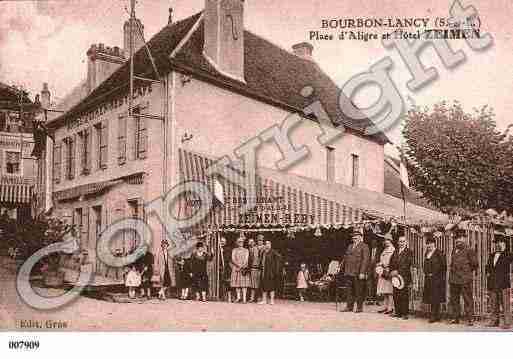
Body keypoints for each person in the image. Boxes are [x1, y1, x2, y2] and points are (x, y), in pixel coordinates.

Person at [448, 229, 478, 326]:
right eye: (457, 238)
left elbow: (475, 264)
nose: (458, 240)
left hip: (465, 279)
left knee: (467, 299)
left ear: (465, 238)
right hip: (454, 279)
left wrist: (466, 273)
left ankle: (470, 319)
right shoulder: (454, 250)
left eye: (460, 238)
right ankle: (455, 317)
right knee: (454, 299)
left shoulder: (469, 250)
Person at [485, 236, 513, 329]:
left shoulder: (508, 254)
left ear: (505, 244)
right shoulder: (492, 255)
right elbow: (488, 267)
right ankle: (494, 321)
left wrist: (505, 250)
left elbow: (508, 260)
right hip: (493, 282)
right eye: (497, 242)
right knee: (493, 303)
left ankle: (507, 322)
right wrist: (488, 273)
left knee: (505, 304)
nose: (498, 244)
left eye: (501, 242)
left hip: (503, 283)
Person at [341, 228, 370, 313]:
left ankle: (359, 307)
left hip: (358, 272)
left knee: (358, 290)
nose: (354, 238)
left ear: (360, 237)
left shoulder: (364, 246)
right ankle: (349, 307)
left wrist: (362, 272)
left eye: (356, 237)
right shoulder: (350, 246)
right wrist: (341, 267)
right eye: (353, 237)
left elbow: (366, 260)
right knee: (349, 290)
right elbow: (345, 258)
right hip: (348, 271)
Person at [422, 234, 447, 323]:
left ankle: (435, 315)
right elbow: (425, 264)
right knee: (431, 297)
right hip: (428, 278)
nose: (429, 245)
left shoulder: (439, 253)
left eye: (430, 243)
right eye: (427, 243)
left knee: (435, 297)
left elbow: (444, 266)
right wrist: (426, 272)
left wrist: (438, 275)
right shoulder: (427, 253)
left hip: (437, 279)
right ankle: (435, 315)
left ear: (434, 243)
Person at [389, 236, 413, 319]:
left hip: (404, 276)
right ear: (398, 243)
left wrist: (398, 271)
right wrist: (392, 271)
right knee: (396, 294)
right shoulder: (395, 252)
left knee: (404, 295)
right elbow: (391, 262)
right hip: (395, 277)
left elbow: (407, 264)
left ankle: (405, 313)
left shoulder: (409, 252)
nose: (401, 243)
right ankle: (398, 312)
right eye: (400, 241)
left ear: (406, 242)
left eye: (403, 241)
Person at [376, 235, 395, 314]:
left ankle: (390, 307)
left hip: (388, 271)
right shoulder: (385, 249)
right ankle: (385, 306)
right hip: (382, 271)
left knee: (389, 291)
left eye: (388, 240)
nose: (386, 241)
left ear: (390, 240)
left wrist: (383, 264)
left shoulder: (392, 250)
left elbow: (392, 260)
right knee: (384, 290)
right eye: (385, 240)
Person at [259, 239, 282, 305]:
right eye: (266, 244)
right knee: (264, 286)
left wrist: (275, 270)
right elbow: (261, 261)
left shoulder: (273, 252)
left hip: (271, 272)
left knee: (271, 287)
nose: (267, 245)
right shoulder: (263, 252)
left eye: (268, 244)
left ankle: (272, 300)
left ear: (270, 245)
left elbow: (279, 259)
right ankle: (264, 300)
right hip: (263, 272)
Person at [231, 236, 251, 303]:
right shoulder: (234, 250)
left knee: (244, 284)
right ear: (237, 243)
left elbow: (246, 260)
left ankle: (244, 298)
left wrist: (241, 266)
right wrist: (238, 265)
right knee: (237, 283)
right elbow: (233, 259)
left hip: (243, 269)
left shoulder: (246, 250)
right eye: (239, 242)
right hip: (236, 267)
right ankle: (238, 297)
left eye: (242, 242)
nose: (240, 243)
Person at [248, 237, 262, 302]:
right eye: (250, 242)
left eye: (252, 242)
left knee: (257, 284)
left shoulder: (257, 249)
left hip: (258, 268)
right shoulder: (250, 249)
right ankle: (253, 297)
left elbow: (257, 259)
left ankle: (256, 297)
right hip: (252, 268)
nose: (251, 243)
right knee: (253, 284)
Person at [219, 237, 233, 302]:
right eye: (221, 241)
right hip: (219, 267)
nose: (222, 242)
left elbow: (228, 258)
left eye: (223, 241)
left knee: (227, 282)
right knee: (220, 283)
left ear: (226, 242)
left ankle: (229, 297)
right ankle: (222, 296)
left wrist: (223, 251)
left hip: (227, 268)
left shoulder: (228, 249)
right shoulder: (217, 248)